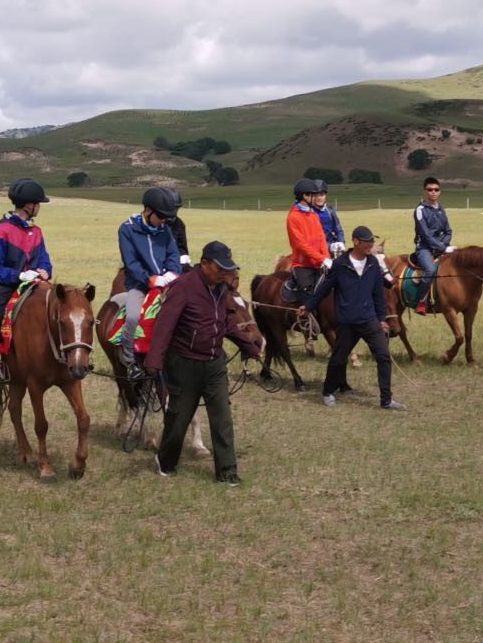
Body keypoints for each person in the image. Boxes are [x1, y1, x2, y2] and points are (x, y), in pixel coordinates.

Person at [143, 241, 263, 485]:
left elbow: (224, 323)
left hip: (214, 365)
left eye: (227, 269)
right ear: (204, 264)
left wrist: (247, 345)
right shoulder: (183, 287)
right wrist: (154, 359)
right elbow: (164, 326)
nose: (225, 274)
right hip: (184, 364)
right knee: (179, 420)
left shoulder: (221, 289)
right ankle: (165, 461)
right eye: (220, 268)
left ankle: (227, 472)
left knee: (222, 418)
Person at [299, 225, 403, 410]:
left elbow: (378, 295)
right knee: (339, 359)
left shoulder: (373, 264)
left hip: (369, 320)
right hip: (347, 321)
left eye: (372, 241)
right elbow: (323, 289)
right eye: (367, 241)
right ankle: (328, 391)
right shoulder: (340, 264)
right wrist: (308, 306)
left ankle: (386, 400)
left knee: (383, 356)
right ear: (356, 241)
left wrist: (381, 319)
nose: (371, 244)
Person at [0, 179, 53, 384]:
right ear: (28, 205)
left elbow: (44, 258)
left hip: (36, 285)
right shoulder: (1, 232)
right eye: (38, 203)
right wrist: (20, 276)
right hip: (8, 285)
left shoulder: (37, 231)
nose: (39, 208)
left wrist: (45, 270)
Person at [113, 187, 183, 374]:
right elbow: (131, 263)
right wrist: (150, 279)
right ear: (148, 210)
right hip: (139, 284)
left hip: (168, 283)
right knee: (134, 317)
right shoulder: (126, 230)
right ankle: (129, 362)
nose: (163, 222)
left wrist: (171, 274)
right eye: (160, 217)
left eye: (166, 219)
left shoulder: (165, 229)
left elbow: (173, 255)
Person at [284, 178, 333, 304]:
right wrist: (322, 259)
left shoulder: (313, 215)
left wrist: (326, 258)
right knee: (309, 299)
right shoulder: (293, 217)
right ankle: (306, 321)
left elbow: (321, 238)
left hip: (319, 263)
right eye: (313, 195)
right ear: (305, 196)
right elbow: (301, 245)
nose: (316, 198)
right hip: (303, 266)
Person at [410, 176, 454, 314]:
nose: (433, 192)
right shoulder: (420, 209)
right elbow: (425, 235)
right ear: (425, 191)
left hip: (440, 245)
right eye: (430, 189)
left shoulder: (441, 209)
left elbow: (448, 230)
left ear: (440, 191)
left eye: (436, 189)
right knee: (430, 270)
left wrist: (445, 244)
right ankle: (420, 302)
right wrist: (442, 248)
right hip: (424, 248)